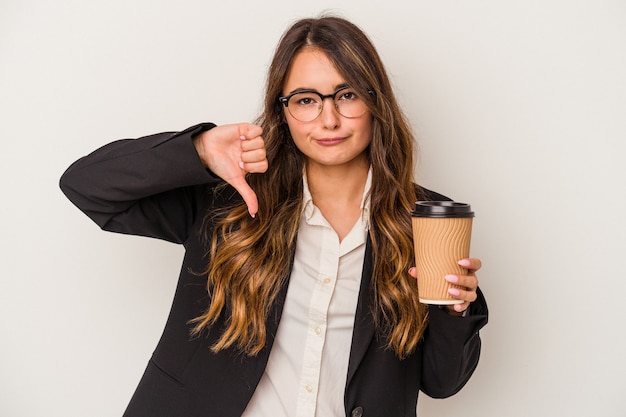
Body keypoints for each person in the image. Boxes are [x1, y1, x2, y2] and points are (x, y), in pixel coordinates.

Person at [60, 15, 488, 417]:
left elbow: (441, 383)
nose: (329, 119)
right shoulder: (228, 203)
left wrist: (454, 313)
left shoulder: (428, 223)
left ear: (376, 102)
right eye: (306, 100)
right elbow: (87, 186)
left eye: (347, 95)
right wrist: (200, 150)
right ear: (283, 111)